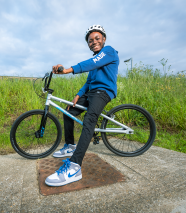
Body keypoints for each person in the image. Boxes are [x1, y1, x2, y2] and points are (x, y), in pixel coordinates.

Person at [45, 25, 119, 187]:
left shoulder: (109, 52)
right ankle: (71, 145)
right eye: (90, 41)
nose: (94, 42)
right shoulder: (96, 61)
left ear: (104, 39)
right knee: (68, 111)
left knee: (89, 120)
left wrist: (67, 70)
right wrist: (79, 94)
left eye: (97, 38)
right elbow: (88, 81)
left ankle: (74, 167)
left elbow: (91, 63)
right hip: (90, 93)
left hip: (103, 92)